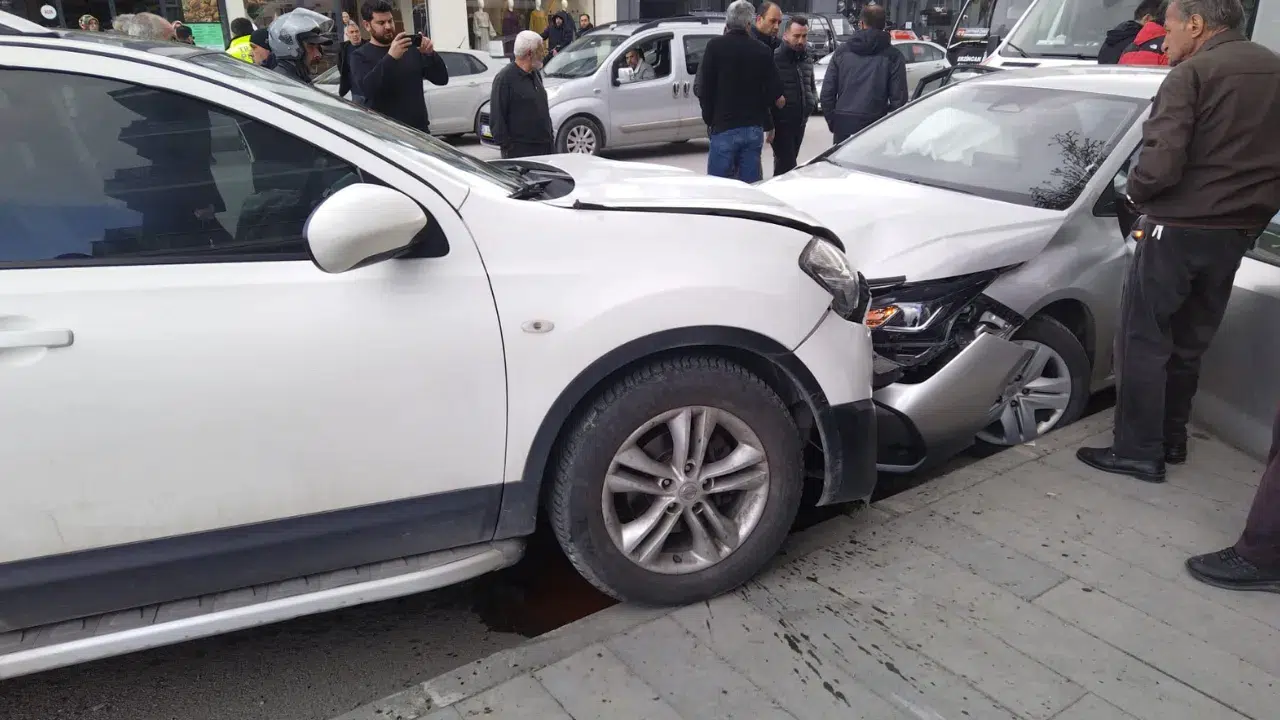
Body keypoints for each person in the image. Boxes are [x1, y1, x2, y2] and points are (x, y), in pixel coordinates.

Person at [1077, 0, 1280, 484]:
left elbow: (1160, 162)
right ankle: (1172, 439)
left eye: (1168, 27)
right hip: (1236, 233)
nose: (1161, 39)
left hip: (1177, 226)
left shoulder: (1192, 74)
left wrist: (1136, 193)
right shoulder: (1273, 68)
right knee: (1190, 341)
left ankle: (1137, 451)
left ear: (1195, 24)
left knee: (1143, 340)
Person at [350, 1, 448, 130]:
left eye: (390, 21)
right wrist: (391, 58)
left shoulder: (410, 49)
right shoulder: (359, 56)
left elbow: (441, 79)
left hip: (419, 132)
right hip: (386, 134)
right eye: (381, 23)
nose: (388, 26)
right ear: (367, 25)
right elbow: (368, 90)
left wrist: (430, 55)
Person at [820, 4, 906, 143]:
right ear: (884, 24)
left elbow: (827, 93)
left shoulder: (842, 52)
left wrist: (835, 122)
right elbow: (899, 100)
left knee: (840, 164)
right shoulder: (894, 56)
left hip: (844, 126)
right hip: (875, 126)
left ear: (861, 24)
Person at [489, 30, 554, 158]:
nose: (544, 54)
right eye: (541, 50)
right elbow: (497, 119)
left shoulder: (535, 74)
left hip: (545, 149)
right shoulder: (505, 78)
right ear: (530, 53)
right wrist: (509, 148)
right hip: (521, 154)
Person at [771, 15, 816, 176]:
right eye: (796, 36)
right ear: (785, 35)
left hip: (801, 120)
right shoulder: (775, 58)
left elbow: (810, 84)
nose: (801, 41)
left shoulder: (805, 58)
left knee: (786, 167)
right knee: (788, 166)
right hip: (782, 123)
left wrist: (811, 102)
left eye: (804, 36)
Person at [269, 8, 333, 84]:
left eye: (318, 47)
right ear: (289, 47)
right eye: (310, 46)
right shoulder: (283, 84)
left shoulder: (297, 79)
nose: (318, 54)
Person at [1099, 0, 1165, 64]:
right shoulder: (1141, 43)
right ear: (1147, 19)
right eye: (1161, 21)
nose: (1165, 26)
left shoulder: (1116, 36)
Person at [337, 21, 364, 102]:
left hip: (371, 90)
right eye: (351, 32)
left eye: (356, 31)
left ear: (360, 33)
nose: (355, 34)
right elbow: (341, 67)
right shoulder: (343, 49)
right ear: (347, 35)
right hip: (356, 92)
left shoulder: (368, 45)